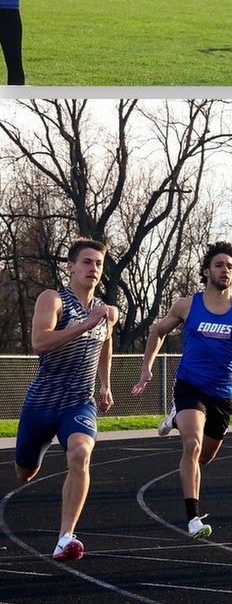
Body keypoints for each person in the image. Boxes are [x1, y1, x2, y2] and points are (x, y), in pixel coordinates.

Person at [131, 241, 232, 540]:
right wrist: (147, 367)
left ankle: (175, 419)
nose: (225, 270)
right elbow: (157, 330)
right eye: (219, 265)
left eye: (230, 267)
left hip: (222, 394)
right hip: (190, 385)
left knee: (204, 457)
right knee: (190, 446)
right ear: (206, 271)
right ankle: (192, 519)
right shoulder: (186, 305)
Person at [14, 238, 119, 561]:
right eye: (87, 262)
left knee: (80, 454)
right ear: (71, 267)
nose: (94, 268)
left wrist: (105, 384)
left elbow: (105, 344)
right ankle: (33, 457)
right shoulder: (53, 299)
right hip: (42, 404)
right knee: (25, 473)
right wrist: (85, 324)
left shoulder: (105, 311)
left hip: (78, 402)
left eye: (98, 264)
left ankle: (65, 537)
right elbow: (39, 342)